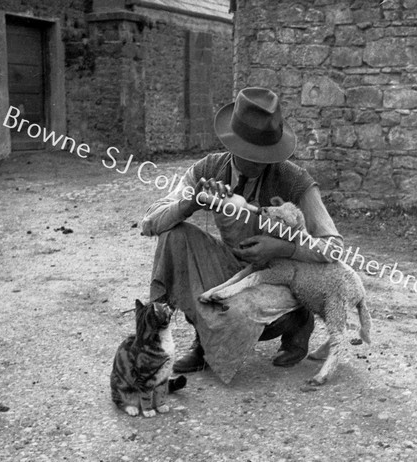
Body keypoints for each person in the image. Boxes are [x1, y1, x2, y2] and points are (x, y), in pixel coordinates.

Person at [141, 87, 344, 378]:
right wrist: (190, 202)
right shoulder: (207, 169)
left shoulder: (295, 180)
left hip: (280, 274)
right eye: (252, 154)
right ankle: (203, 341)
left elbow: (333, 247)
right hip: (234, 266)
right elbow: (150, 222)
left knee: (239, 312)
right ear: (233, 144)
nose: (261, 162)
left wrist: (282, 248)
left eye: (267, 154)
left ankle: (296, 322)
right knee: (174, 236)